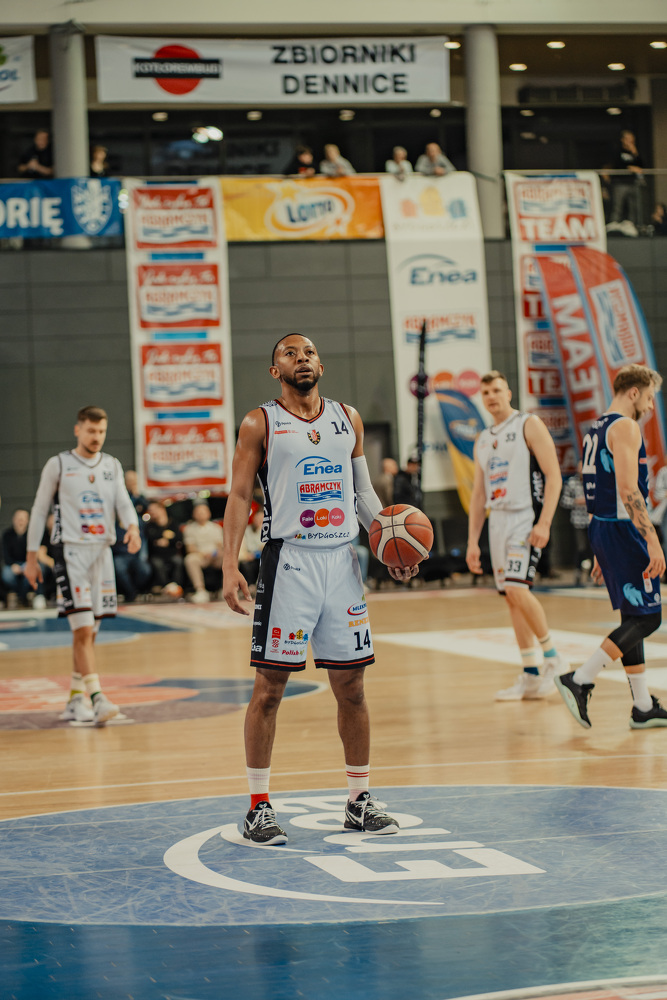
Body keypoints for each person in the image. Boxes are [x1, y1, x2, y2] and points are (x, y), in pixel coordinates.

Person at [222, 333, 418, 845]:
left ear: (321, 365)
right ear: (276, 371)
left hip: (342, 563)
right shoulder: (260, 422)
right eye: (290, 354)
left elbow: (362, 491)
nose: (301, 359)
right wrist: (228, 564)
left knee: (352, 688)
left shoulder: (347, 418)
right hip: (288, 562)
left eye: (308, 352)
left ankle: (358, 800)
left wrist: (388, 544)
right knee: (270, 689)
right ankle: (258, 807)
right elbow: (239, 494)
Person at [555, 365, 667, 730]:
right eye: (649, 397)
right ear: (633, 392)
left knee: (633, 616)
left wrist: (599, 548)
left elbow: (594, 492)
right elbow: (628, 489)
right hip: (623, 528)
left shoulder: (596, 428)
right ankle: (580, 679)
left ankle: (642, 706)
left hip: (604, 527)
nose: (650, 406)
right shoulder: (625, 426)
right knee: (648, 618)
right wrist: (652, 539)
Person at [24, 406, 141, 725]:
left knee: (91, 633)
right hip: (70, 551)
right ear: (78, 430)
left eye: (101, 431)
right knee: (83, 628)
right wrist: (32, 558)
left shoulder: (112, 465)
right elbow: (39, 510)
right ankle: (98, 697)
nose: (96, 437)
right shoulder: (59, 464)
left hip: (101, 552)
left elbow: (123, 502)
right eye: (91, 431)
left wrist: (132, 527)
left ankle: (76, 699)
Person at [466, 371, 568, 700]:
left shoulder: (528, 424)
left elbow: (554, 476)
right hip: (497, 520)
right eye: (486, 392)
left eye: (496, 390)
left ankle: (554, 659)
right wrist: (472, 542)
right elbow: (478, 495)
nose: (491, 396)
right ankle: (531, 675)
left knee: (517, 588)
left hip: (525, 516)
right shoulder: (483, 439)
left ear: (508, 392)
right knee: (510, 597)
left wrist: (544, 523)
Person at [2, 508, 47, 609]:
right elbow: (5, 555)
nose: (20, 521)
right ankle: (21, 597)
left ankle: (39, 596)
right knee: (7, 574)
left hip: (29, 563)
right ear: (14, 519)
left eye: (23, 519)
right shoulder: (7, 535)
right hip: (13, 565)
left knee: (38, 569)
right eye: (18, 519)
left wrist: (29, 564)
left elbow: (36, 552)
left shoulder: (33, 534)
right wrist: (13, 565)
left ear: (28, 520)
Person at [183, 499, 223, 603]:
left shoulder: (216, 527)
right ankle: (200, 590)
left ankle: (225, 589)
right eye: (198, 512)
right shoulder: (189, 529)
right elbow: (190, 548)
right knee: (190, 559)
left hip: (215, 556)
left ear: (209, 513)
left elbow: (220, 546)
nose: (201, 514)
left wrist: (214, 553)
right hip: (200, 556)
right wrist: (203, 554)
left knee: (229, 558)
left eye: (203, 511)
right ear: (194, 514)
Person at [560, 462, 593, 586]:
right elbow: (564, 500)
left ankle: (591, 573)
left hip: (592, 520)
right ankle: (578, 572)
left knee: (593, 548)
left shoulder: (594, 481)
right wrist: (576, 501)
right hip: (578, 521)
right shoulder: (572, 482)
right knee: (581, 547)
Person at [606, 130, 644, 237]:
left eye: (631, 139)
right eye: (627, 139)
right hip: (620, 183)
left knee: (633, 205)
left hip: (632, 182)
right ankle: (614, 223)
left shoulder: (634, 152)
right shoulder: (618, 151)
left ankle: (631, 224)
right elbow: (617, 164)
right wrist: (629, 167)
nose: (630, 141)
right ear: (622, 140)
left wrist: (635, 153)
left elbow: (641, 166)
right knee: (617, 205)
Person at [145, 500, 185, 597]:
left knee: (178, 561)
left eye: (154, 510)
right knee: (157, 563)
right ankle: (166, 587)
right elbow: (151, 538)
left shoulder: (173, 523)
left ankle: (176, 586)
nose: (152, 512)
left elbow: (179, 538)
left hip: (171, 553)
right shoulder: (150, 526)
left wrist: (168, 541)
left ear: (162, 509)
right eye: (150, 510)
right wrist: (165, 537)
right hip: (157, 555)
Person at [238, 508, 265, 592]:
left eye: (261, 519)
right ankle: (250, 587)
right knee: (245, 564)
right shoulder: (247, 531)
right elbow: (243, 547)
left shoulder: (268, 532)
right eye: (257, 518)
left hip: (263, 556)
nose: (259, 520)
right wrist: (247, 555)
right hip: (249, 556)